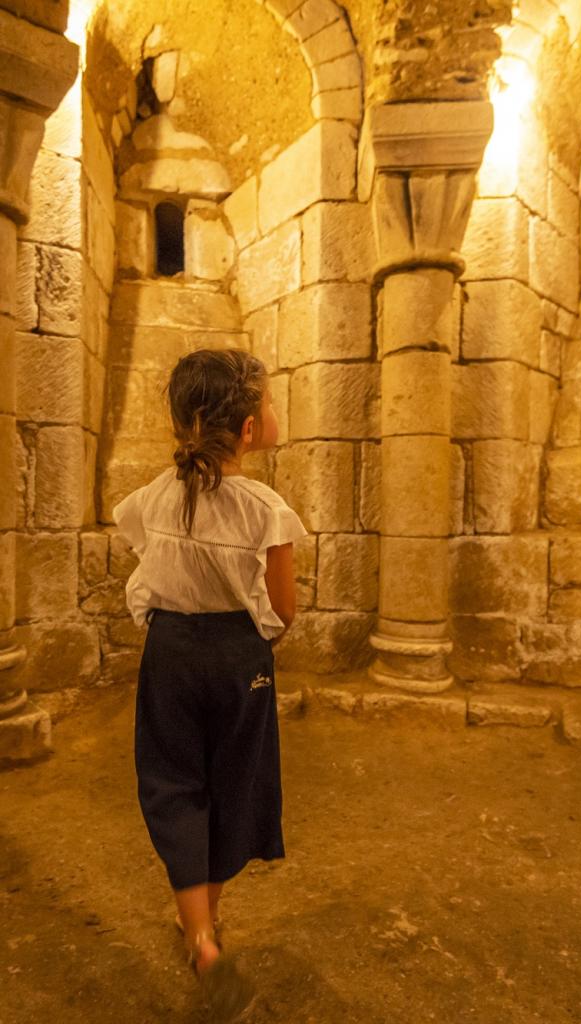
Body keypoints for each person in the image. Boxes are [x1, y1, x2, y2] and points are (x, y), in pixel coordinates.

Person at [112, 348, 308, 1012]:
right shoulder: (268, 509)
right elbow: (283, 610)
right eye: (271, 402)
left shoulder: (149, 499)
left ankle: (197, 931)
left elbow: (135, 534)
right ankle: (207, 923)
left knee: (174, 781)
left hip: (167, 652)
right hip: (237, 658)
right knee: (233, 781)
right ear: (250, 429)